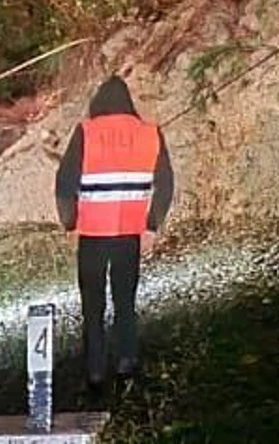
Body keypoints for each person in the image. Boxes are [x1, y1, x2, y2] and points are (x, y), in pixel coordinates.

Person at [54, 75, 174, 395]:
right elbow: (166, 184)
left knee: (92, 305)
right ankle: (126, 361)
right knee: (125, 301)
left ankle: (95, 371)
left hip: (92, 234)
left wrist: (69, 224)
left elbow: (65, 182)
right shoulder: (151, 133)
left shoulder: (86, 132)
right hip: (129, 234)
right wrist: (151, 226)